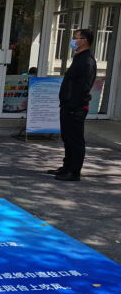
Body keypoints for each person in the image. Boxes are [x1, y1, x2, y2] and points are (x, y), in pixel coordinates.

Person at [48, 29, 97, 182]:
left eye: (76, 38)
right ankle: (67, 166)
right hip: (68, 105)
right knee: (67, 138)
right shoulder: (79, 58)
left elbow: (84, 87)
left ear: (84, 41)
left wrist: (73, 106)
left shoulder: (87, 61)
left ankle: (74, 172)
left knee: (75, 140)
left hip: (76, 108)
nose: (73, 41)